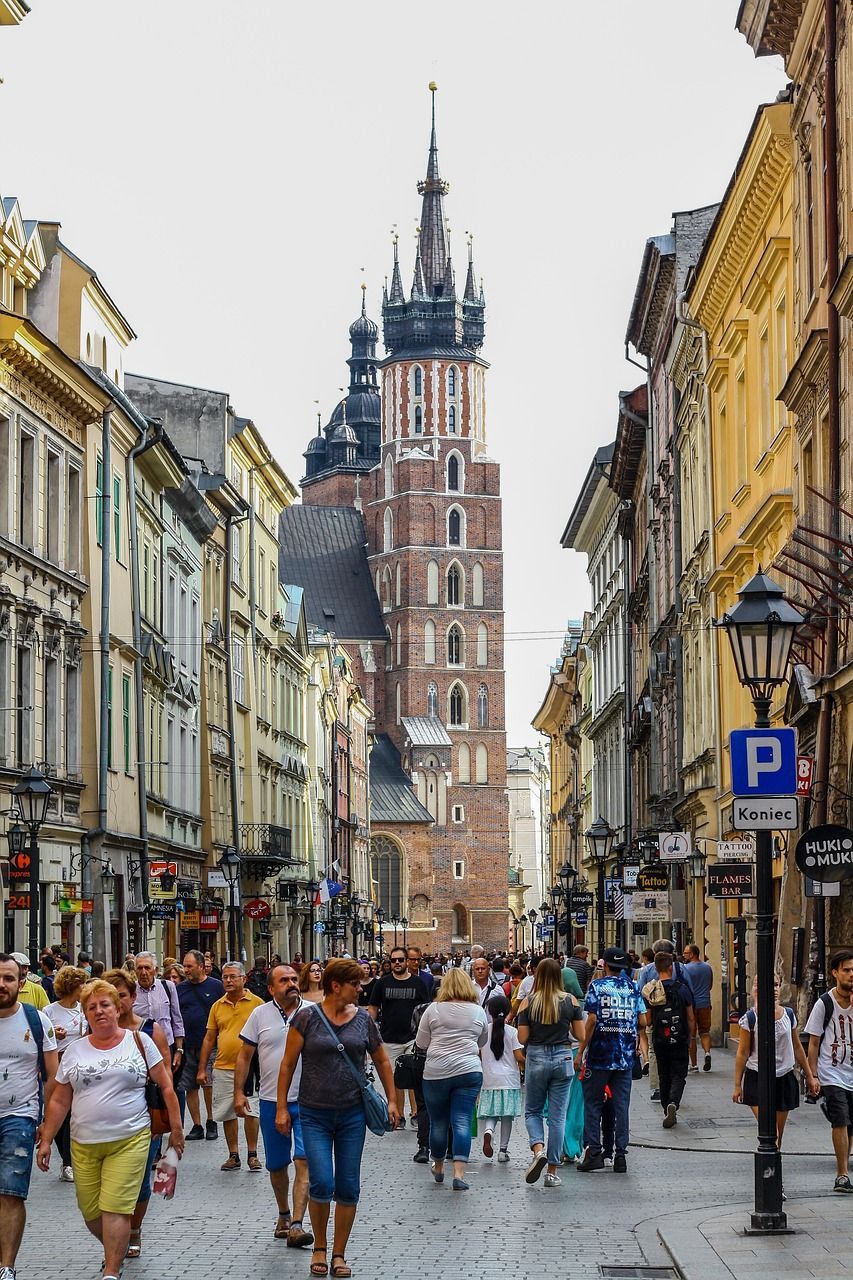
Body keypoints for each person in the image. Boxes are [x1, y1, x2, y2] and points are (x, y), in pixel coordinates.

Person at [36, 978, 183, 1280]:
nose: (99, 1011)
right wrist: (47, 1139)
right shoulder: (75, 1051)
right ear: (85, 1015)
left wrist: (177, 1130)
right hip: (84, 1143)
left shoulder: (138, 1042)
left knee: (115, 1208)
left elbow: (167, 1087)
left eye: (105, 1005)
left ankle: (111, 1273)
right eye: (92, 1007)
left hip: (130, 1137)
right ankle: (116, 1246)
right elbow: (61, 1099)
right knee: (92, 1213)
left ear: (118, 1008)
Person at [276, 958, 397, 1278]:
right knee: (322, 1182)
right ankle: (319, 1247)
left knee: (347, 1185)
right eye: (355, 984)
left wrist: (394, 1101)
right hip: (313, 1113)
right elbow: (287, 1064)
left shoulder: (363, 1021)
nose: (361, 990)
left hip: (352, 1114)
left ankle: (339, 1254)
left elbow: (383, 1061)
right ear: (336, 986)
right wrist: (281, 1108)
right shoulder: (306, 1018)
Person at [235, 963, 313, 1248]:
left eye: (294, 979)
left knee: (304, 1161)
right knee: (277, 1165)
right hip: (270, 1100)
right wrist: (240, 1092)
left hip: (308, 1101)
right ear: (271, 988)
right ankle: (283, 1213)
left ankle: (297, 1223)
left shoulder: (312, 1012)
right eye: (284, 980)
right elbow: (245, 1055)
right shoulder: (259, 1014)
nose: (291, 983)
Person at [105, 967, 175, 1259]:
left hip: (145, 1114)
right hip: (106, 1116)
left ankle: (134, 1230)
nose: (117, 1002)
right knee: (109, 1181)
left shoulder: (150, 1030)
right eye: (111, 997)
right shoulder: (95, 1030)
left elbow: (166, 1078)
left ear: (133, 997)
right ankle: (115, 1235)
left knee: (138, 1180)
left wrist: (174, 1125)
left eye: (121, 995)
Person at [0, 953, 59, 1280]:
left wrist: (44, 1124)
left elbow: (54, 1076)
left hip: (19, 1117)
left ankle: (6, 1266)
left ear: (21, 983)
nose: (2, 984)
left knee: (10, 1191)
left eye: (9, 978)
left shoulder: (36, 1021)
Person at [415, 967, 487, 1190]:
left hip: (436, 1071)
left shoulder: (433, 1009)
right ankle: (459, 1173)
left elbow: (421, 1043)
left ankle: (438, 1166)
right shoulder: (477, 1011)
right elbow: (482, 1041)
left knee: (439, 1122)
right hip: (468, 1070)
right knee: (462, 1120)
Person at [577, 946, 647, 1173]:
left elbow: (592, 1020)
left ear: (604, 965)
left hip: (600, 1054)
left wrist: (581, 1050)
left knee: (593, 1104)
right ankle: (621, 1156)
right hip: (625, 1055)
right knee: (621, 1106)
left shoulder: (597, 987)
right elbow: (644, 1021)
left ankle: (594, 1152)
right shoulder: (633, 987)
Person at [516, 956, 584, 1187]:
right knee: (558, 1117)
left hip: (536, 1056)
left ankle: (538, 1150)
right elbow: (581, 1035)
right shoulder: (571, 1001)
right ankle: (552, 1172)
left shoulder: (528, 1002)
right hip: (563, 1056)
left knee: (533, 1111)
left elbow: (522, 1038)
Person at [733, 973, 817, 1154]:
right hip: (757, 1078)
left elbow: (797, 1047)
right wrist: (737, 1085)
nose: (773, 989)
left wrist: (810, 1075)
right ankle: (769, 1172)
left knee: (779, 1132)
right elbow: (742, 1052)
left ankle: (774, 1168)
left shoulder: (788, 1014)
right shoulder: (750, 1018)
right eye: (768, 985)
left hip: (784, 1078)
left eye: (776, 985)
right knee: (770, 1130)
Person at [197, 961, 264, 1170]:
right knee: (227, 1111)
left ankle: (252, 1154)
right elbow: (209, 1038)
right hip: (223, 1065)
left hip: (251, 1067)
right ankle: (233, 1154)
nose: (228, 980)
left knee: (251, 1110)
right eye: (225, 977)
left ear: (243, 979)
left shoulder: (257, 1004)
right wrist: (202, 1068)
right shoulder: (218, 1005)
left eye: (233, 976)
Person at [806, 948, 853, 1193]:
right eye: (846, 970)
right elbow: (813, 1042)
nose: (851, 974)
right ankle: (842, 1174)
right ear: (835, 973)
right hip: (831, 1072)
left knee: (850, 1123)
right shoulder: (824, 1003)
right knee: (841, 1119)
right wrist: (812, 1075)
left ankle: (845, 1167)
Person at [368, 946, 428, 1126]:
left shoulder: (418, 983)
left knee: (413, 1075)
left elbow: (426, 1008)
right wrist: (370, 1027)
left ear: (407, 961)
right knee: (395, 1078)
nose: (397, 963)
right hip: (389, 1037)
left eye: (400, 960)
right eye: (393, 961)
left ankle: (416, 1113)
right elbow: (373, 1006)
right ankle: (399, 1114)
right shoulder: (382, 983)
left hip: (413, 1037)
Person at [44, 964, 87, 1181]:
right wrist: (55, 1035)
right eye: (81, 984)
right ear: (71, 986)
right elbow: (44, 1040)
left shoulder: (84, 1009)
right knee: (60, 1115)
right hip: (58, 1065)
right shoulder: (49, 1011)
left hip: (79, 1066)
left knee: (74, 1115)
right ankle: (65, 1159)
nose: (84, 988)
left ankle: (71, 1161)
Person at [176, 949, 224, 1142]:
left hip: (211, 1043)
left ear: (201, 966)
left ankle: (211, 1121)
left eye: (189, 966)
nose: (186, 970)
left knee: (208, 1083)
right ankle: (197, 1125)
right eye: (184, 966)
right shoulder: (180, 989)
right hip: (188, 1044)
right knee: (190, 1086)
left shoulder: (216, 986)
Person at [644, 951, 695, 1129]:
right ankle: (674, 1101)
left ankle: (667, 1108)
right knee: (679, 1074)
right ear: (671, 967)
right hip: (679, 1037)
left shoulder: (652, 991)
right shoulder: (682, 989)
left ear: (656, 969)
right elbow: (690, 1017)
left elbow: (648, 1020)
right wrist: (690, 1036)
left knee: (664, 1074)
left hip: (660, 1039)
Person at [479, 993, 524, 1163]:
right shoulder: (513, 1032)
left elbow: (479, 1053)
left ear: (489, 1012)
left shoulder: (484, 1032)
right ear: (507, 1012)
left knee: (492, 1112)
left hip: (489, 1078)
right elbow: (519, 1057)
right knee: (506, 1116)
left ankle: (489, 1131)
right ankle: (503, 1151)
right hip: (509, 1080)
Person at [132, 952, 184, 1075]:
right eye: (140, 968)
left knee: (165, 1087)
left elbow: (177, 1020)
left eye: (147, 968)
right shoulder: (130, 990)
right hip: (138, 1050)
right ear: (135, 970)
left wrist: (179, 1050)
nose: (143, 972)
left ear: (155, 970)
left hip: (165, 1048)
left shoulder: (168, 987)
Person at [683, 944, 714, 1072]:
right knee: (705, 1031)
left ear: (692, 954)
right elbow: (710, 985)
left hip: (691, 1005)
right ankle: (707, 1053)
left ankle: (694, 1065)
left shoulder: (685, 968)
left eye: (686, 953)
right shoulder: (707, 967)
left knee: (691, 1035)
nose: (684, 955)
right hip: (705, 1003)